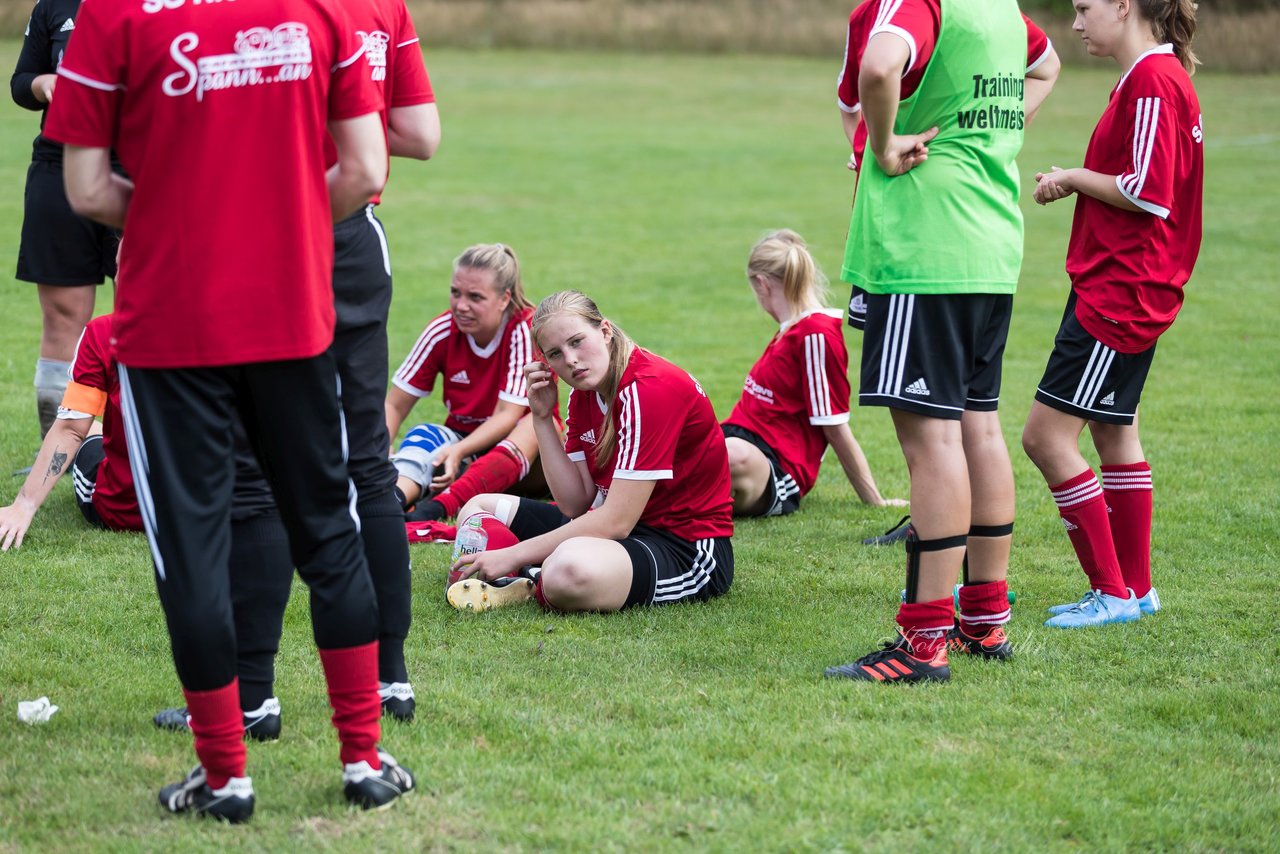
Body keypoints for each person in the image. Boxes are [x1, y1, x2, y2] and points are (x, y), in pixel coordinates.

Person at [45, 0, 412, 822]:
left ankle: (225, 778)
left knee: (192, 550)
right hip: (293, 316)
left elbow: (86, 186)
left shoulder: (111, 15)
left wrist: (193, 228)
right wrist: (269, 228)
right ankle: (363, 760)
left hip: (171, 323)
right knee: (329, 530)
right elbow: (362, 168)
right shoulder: (319, 9)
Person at [152, 0, 442, 733]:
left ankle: (252, 694)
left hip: (263, 235)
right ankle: (389, 680)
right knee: (364, 463)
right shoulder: (378, 8)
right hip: (354, 236)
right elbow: (419, 134)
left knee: (253, 472)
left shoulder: (260, 15)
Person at [823, 0, 1059, 684]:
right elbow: (1048, 67)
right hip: (988, 243)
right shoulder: (1002, 12)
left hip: (926, 245)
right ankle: (984, 622)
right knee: (977, 426)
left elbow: (877, 65)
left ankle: (921, 642)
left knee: (932, 441)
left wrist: (885, 138)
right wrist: (982, 141)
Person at [1023, 0, 1202, 629]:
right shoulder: (1151, 77)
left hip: (1120, 293)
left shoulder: (1155, 79)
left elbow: (1147, 192)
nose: (1075, 23)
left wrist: (1073, 176)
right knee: (1113, 432)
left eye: (1084, 8)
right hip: (1127, 285)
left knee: (1045, 438)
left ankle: (1113, 593)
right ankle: (1137, 591)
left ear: (1124, 6)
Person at [446, 290, 734, 614]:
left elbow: (616, 522)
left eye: (576, 341)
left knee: (567, 571)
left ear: (605, 331)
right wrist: (541, 418)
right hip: (612, 531)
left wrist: (514, 554)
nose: (570, 360)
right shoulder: (584, 392)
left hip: (681, 545)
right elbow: (574, 503)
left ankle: (527, 574)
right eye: (555, 353)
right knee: (478, 508)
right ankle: (522, 573)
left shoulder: (649, 389)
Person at [721, 229, 904, 517]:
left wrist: (874, 499)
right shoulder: (791, 330)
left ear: (762, 284)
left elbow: (835, 426)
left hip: (773, 466)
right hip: (736, 439)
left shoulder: (816, 335)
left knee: (731, 454)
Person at [10, 0, 119, 438]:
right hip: (60, 168)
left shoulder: (167, 7)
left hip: (142, 169)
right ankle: (56, 444)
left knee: (143, 310)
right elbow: (20, 83)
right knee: (62, 315)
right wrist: (43, 83)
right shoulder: (53, 5)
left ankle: (133, 442)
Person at [385, 244, 551, 525]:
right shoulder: (442, 329)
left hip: (530, 463)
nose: (461, 305)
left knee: (531, 426)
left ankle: (436, 509)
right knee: (426, 435)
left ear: (504, 298)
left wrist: (459, 451)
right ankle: (391, 501)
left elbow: (507, 415)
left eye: (475, 297)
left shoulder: (524, 328)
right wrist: (380, 449)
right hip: (466, 448)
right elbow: (394, 404)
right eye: (455, 292)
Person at [0, 312, 139, 548]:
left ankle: (98, 430)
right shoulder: (218, 327)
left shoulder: (103, 332)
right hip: (203, 509)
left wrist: (24, 504)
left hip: (123, 509)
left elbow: (71, 430)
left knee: (84, 430)